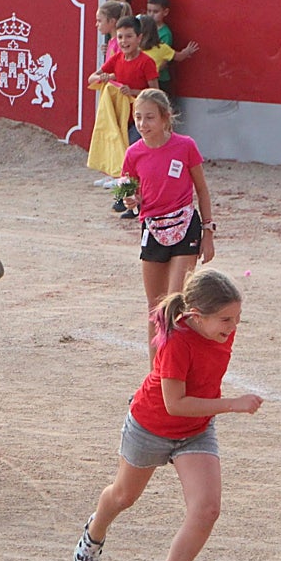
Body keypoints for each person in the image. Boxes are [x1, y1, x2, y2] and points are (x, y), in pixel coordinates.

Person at [71, 268, 261, 561]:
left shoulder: (219, 333)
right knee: (123, 497)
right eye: (226, 319)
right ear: (196, 316)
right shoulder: (176, 343)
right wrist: (233, 404)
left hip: (196, 431)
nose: (233, 328)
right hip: (150, 428)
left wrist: (217, 408)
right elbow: (175, 404)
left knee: (206, 509)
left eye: (237, 318)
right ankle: (95, 530)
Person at [119, 89, 215, 362]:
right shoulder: (133, 153)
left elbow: (202, 190)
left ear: (165, 118)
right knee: (155, 307)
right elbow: (126, 189)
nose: (142, 124)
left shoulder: (185, 146)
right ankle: (155, 374)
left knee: (174, 301)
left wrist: (208, 231)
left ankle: (176, 367)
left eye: (149, 117)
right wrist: (129, 199)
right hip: (152, 228)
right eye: (138, 117)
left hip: (186, 226)